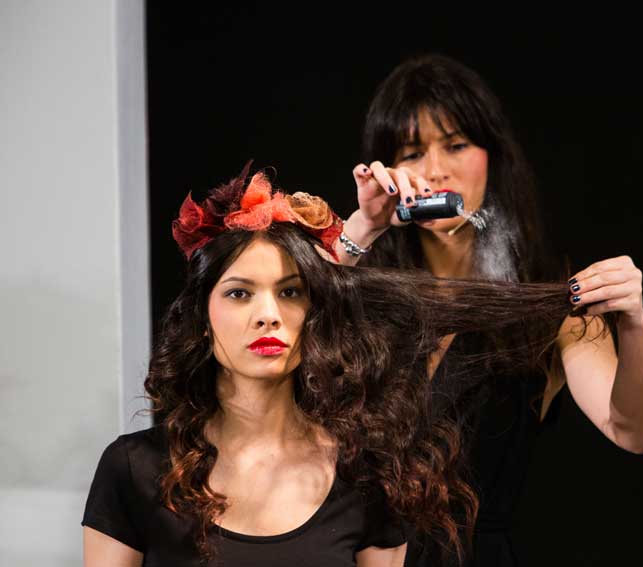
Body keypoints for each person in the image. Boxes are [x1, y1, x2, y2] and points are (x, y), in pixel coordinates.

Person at [81, 165, 577, 566]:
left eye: (291, 293)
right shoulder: (135, 469)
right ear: (202, 320)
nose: (268, 315)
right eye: (238, 293)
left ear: (315, 315)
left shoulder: (364, 478)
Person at [331, 54, 643, 566]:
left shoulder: (548, 302)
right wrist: (362, 228)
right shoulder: (363, 292)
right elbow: (282, 359)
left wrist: (635, 322)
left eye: (456, 144)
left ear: (492, 156)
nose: (435, 170)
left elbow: (631, 429)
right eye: (413, 152)